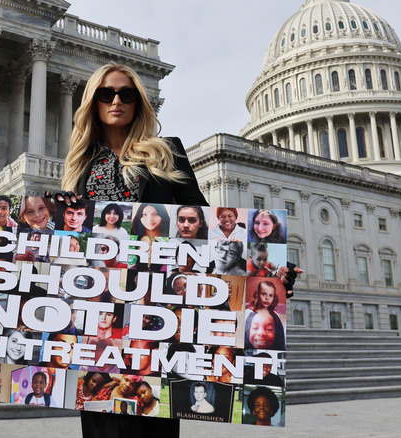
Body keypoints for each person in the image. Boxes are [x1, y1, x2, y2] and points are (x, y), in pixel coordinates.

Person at [54, 62, 298, 438]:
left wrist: (268, 270)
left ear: (138, 102)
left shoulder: (167, 152)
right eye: (106, 94)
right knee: (102, 419)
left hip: (157, 305)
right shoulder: (80, 167)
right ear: (93, 102)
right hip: (101, 306)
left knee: (152, 416)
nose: (116, 100)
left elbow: (205, 228)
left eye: (126, 94)